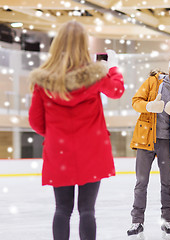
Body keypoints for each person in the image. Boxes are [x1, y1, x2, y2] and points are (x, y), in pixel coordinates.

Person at [28, 20, 125, 240]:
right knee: (87, 211)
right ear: (84, 45)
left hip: (59, 152)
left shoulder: (44, 80)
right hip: (92, 150)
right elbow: (117, 90)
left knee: (62, 210)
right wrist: (112, 68)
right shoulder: (95, 75)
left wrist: (56, 135)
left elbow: (35, 121)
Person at [127, 52, 170, 237]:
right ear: (169, 68)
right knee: (141, 182)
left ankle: (167, 221)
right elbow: (135, 101)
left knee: (166, 183)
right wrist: (149, 106)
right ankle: (137, 222)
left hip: (167, 142)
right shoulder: (153, 82)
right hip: (146, 139)